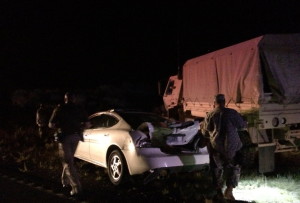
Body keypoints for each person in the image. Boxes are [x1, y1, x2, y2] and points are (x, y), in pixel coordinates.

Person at [201, 94, 246, 201]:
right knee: (235, 167)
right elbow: (242, 125)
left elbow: (205, 132)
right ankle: (229, 191)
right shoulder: (232, 113)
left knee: (216, 169)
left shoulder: (210, 115)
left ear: (214, 103)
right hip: (233, 147)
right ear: (224, 102)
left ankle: (218, 192)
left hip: (217, 148)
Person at [48, 92, 89, 197]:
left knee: (67, 162)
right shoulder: (80, 109)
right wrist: (80, 128)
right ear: (74, 99)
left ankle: (76, 187)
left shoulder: (60, 108)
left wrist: (58, 125)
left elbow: (51, 124)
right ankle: (65, 181)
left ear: (65, 99)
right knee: (69, 160)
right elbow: (87, 124)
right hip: (76, 137)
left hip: (65, 137)